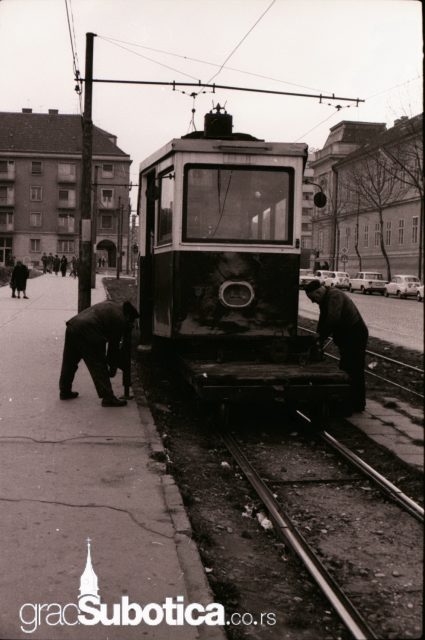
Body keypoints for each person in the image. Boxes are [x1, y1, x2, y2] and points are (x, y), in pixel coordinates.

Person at [59, 300, 139, 407]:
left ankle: (65, 391)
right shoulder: (120, 319)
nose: (132, 325)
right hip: (89, 329)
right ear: (128, 316)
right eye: (132, 322)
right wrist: (112, 367)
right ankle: (108, 397)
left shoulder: (113, 305)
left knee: (69, 361)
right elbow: (113, 349)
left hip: (73, 325)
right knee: (98, 364)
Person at [304, 279, 368, 414]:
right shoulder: (325, 298)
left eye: (313, 298)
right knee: (347, 367)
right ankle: (350, 402)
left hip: (355, 334)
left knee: (353, 369)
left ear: (319, 291)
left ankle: (355, 404)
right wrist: (318, 336)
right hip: (347, 336)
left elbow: (333, 319)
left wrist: (321, 337)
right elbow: (323, 318)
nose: (313, 301)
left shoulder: (334, 296)